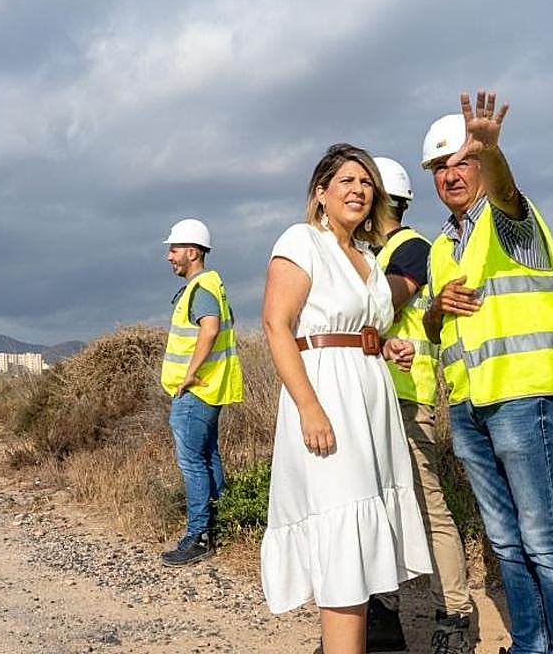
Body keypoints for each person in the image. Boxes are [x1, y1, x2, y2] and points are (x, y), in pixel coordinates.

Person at [422, 92, 553, 654]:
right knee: (504, 540)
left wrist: (494, 152)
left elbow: (508, 193)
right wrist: (434, 310)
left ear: (481, 164)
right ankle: (531, 646)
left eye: (462, 161)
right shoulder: (440, 248)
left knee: (544, 540)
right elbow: (434, 330)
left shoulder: (508, 220)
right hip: (472, 406)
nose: (452, 174)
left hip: (528, 398)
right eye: (440, 166)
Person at [260, 144, 431, 654]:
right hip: (326, 397)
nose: (359, 190)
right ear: (321, 193)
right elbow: (276, 326)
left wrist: (387, 344)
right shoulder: (302, 241)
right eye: (347, 181)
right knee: (342, 543)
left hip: (369, 402)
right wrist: (309, 407)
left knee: (357, 549)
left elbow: (364, 328)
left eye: (367, 183)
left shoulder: (367, 258)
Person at [365, 156, 472, 654]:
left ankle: (455, 613)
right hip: (375, 398)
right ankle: (384, 616)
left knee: (429, 509)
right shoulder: (373, 255)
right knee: (379, 509)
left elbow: (380, 307)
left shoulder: (410, 250)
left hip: (406, 398)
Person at [159, 218, 243, 566]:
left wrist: (188, 377)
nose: (169, 257)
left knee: (192, 463)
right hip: (208, 390)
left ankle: (198, 536)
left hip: (196, 392)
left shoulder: (201, 289)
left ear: (192, 252)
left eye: (174, 249)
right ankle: (219, 526)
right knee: (208, 458)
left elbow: (208, 331)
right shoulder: (211, 286)